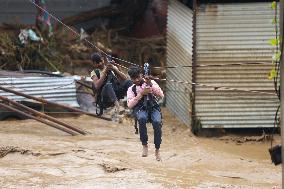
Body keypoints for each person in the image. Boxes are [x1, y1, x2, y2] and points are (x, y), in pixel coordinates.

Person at [127, 66, 164, 161]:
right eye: (133, 78)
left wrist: (150, 84)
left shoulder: (151, 82)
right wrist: (140, 94)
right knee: (142, 118)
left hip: (153, 107)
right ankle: (144, 145)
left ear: (142, 75)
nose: (136, 80)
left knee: (156, 122)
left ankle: (157, 149)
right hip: (141, 108)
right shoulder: (131, 89)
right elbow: (130, 105)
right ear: (131, 78)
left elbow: (161, 95)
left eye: (138, 77)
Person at [90, 52, 132, 118]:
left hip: (115, 93)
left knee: (129, 82)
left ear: (103, 59)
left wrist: (115, 69)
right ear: (93, 63)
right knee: (108, 85)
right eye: (97, 63)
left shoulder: (111, 67)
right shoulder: (94, 72)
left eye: (101, 61)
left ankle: (132, 104)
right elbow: (97, 86)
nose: (100, 64)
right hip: (104, 97)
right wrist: (105, 72)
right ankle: (118, 107)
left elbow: (125, 79)